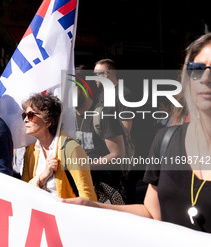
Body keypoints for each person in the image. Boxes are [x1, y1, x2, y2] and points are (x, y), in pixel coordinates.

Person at [63, 32, 211, 233]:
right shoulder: (167, 140)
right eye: (197, 69)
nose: (206, 77)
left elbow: (125, 131)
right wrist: (94, 207)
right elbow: (152, 213)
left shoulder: (123, 95)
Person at [21, 93, 97, 201]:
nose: (25, 120)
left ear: (48, 122)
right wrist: (42, 177)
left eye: (31, 115)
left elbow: (87, 196)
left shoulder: (71, 149)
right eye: (24, 115)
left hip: (66, 215)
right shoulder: (30, 151)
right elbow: (23, 190)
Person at [74, 77, 126, 203]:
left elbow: (118, 154)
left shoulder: (103, 114)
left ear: (84, 88)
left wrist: (86, 167)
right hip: (77, 187)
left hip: (103, 191)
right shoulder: (67, 116)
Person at [94, 59, 133, 132]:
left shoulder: (123, 94)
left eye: (97, 74)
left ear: (106, 74)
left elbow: (126, 130)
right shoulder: (102, 95)